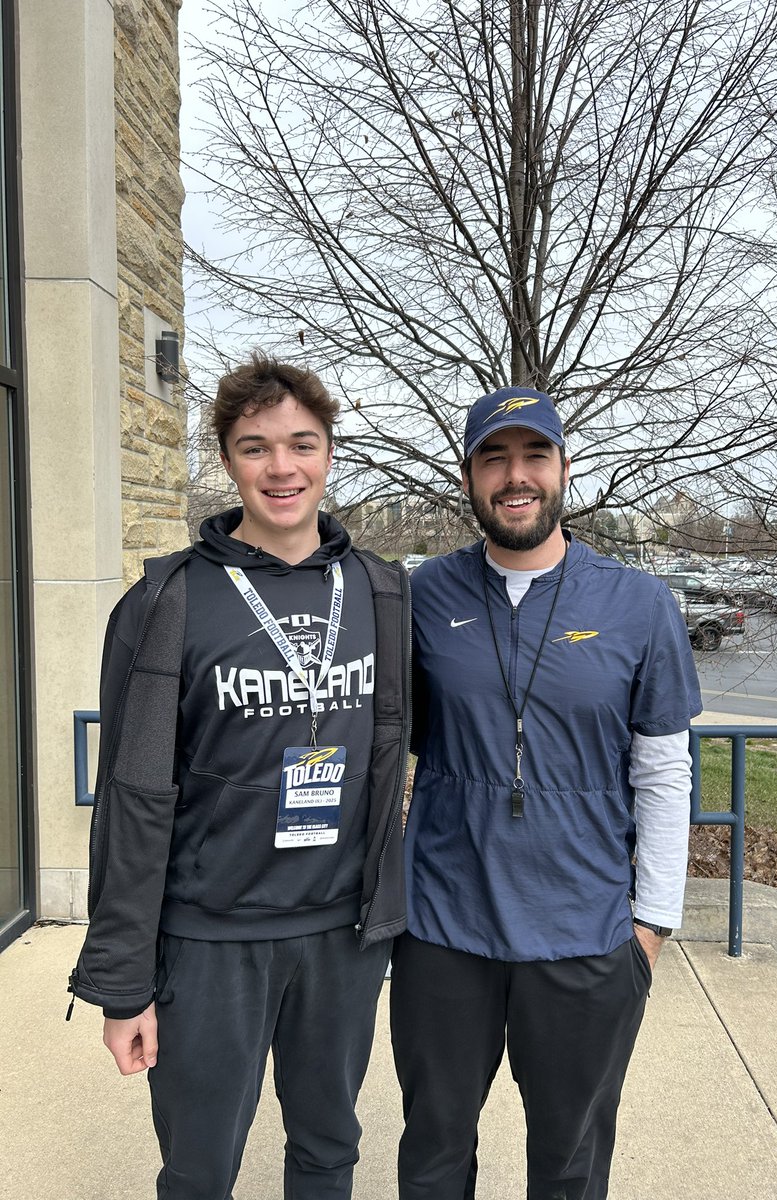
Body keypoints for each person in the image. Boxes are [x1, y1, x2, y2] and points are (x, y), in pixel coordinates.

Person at [69, 352, 411, 1200]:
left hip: (341, 937)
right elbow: (133, 801)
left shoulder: (380, 594)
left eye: (302, 443)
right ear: (226, 460)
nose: (282, 468)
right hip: (209, 943)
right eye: (255, 447)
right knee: (198, 1170)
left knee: (330, 1152)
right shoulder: (168, 603)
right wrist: (122, 985)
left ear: (330, 452)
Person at [391, 386, 702, 1200]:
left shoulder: (639, 604)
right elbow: (380, 746)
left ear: (564, 469)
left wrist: (651, 927)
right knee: (431, 1155)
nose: (515, 475)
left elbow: (665, 773)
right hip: (443, 929)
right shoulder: (421, 597)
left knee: (569, 1166)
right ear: (469, 477)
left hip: (587, 935)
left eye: (534, 455)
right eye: (494, 457)